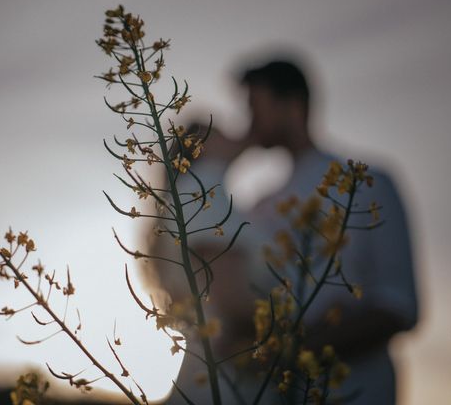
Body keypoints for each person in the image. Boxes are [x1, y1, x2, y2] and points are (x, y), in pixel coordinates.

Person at [148, 57, 419, 404]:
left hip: (356, 391)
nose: (247, 121)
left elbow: (398, 305)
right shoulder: (260, 206)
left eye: (254, 105)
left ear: (292, 105)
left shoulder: (367, 185)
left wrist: (289, 351)